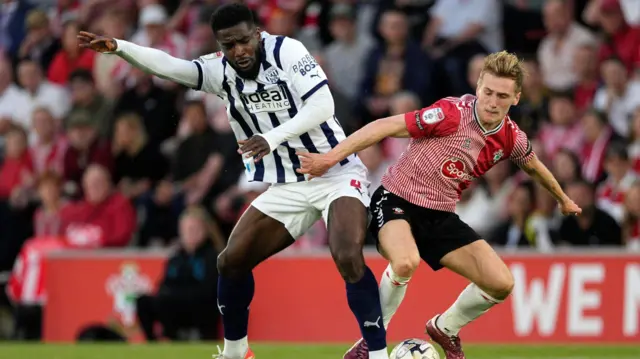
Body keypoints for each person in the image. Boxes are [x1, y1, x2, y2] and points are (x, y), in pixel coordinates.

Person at [77, 3, 387, 359]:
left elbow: (322, 107)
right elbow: (171, 67)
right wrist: (121, 47)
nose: (238, 51)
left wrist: (271, 138)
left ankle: (378, 354)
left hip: (334, 170)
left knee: (347, 254)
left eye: (243, 41)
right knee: (230, 261)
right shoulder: (219, 71)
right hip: (288, 184)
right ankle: (237, 352)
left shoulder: (288, 51)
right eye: (228, 45)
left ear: (257, 34)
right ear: (219, 45)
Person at [297, 51, 582, 359]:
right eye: (487, 92)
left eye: (502, 96)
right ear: (478, 87)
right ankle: (372, 340)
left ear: (516, 98)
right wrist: (329, 158)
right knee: (405, 262)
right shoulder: (451, 114)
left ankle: (445, 328)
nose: (492, 101)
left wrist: (562, 199)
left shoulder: (510, 137)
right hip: (396, 199)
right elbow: (384, 126)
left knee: (501, 283)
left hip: (440, 214)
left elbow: (533, 165)